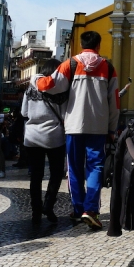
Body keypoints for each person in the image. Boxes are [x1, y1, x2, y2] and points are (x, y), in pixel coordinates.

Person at [36, 31, 120, 229]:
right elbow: (115, 101)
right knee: (95, 167)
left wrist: (38, 80)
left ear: (81, 45)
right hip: (98, 127)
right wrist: (112, 127)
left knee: (74, 168)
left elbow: (50, 85)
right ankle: (90, 210)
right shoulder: (108, 67)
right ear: (98, 45)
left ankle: (77, 209)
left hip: (74, 125)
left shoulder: (70, 64)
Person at [22, 58, 67, 225]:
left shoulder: (30, 89)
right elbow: (63, 115)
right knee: (55, 174)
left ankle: (35, 210)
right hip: (53, 136)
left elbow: (24, 112)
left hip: (32, 137)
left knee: (36, 176)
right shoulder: (60, 90)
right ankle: (48, 205)